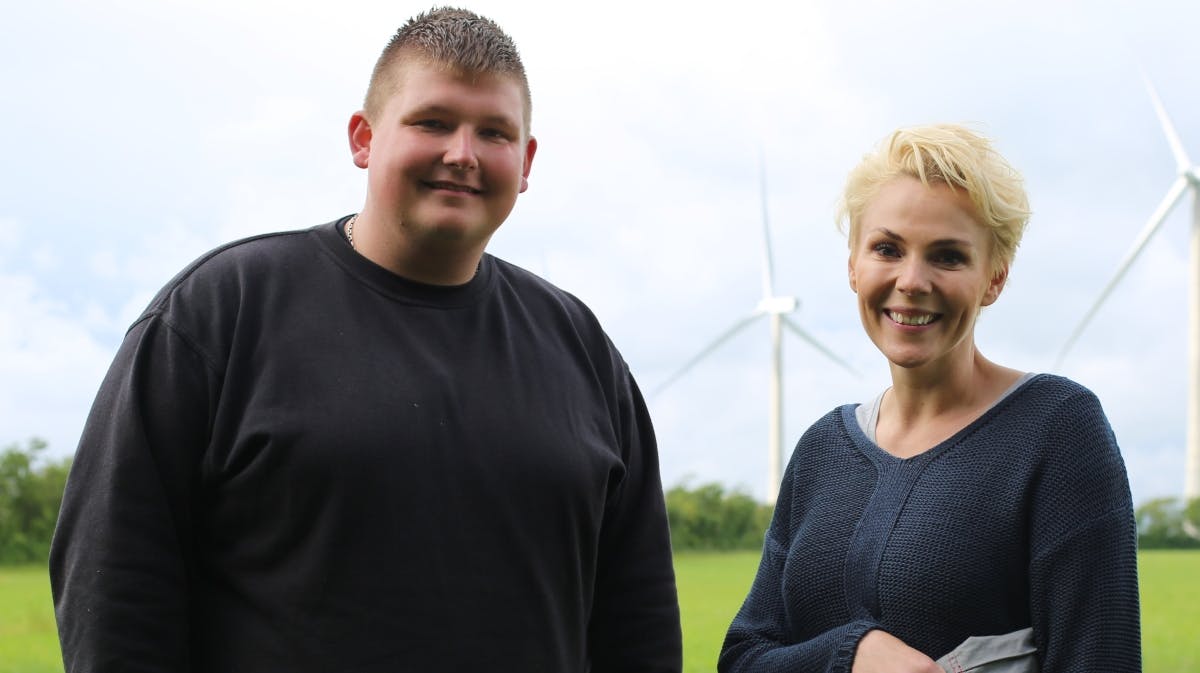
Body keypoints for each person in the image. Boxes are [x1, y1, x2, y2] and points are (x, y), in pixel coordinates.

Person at [49, 8, 682, 672]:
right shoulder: (219, 314)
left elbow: (637, 614)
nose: (461, 153)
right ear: (363, 137)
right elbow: (117, 582)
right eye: (432, 121)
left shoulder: (580, 348)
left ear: (524, 161)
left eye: (493, 132)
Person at [718, 124, 1140, 672]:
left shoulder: (1056, 430)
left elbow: (1100, 659)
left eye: (947, 257)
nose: (912, 280)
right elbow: (742, 658)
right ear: (853, 265)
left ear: (995, 278)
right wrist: (850, 657)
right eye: (887, 248)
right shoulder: (822, 450)